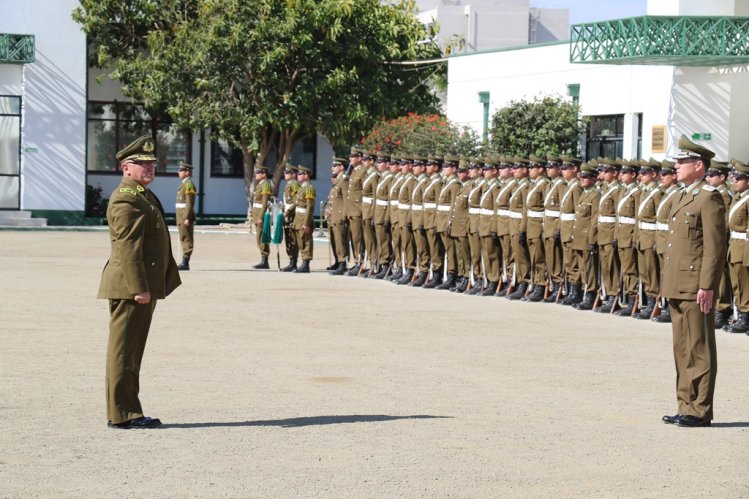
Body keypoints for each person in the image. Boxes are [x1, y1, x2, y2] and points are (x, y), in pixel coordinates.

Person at [98, 134, 181, 429]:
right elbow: (127, 248)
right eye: (141, 163)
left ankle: (129, 410)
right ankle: (122, 413)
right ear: (125, 167)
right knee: (123, 352)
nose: (149, 168)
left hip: (140, 286)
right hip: (130, 288)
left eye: (152, 163)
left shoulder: (142, 195)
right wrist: (139, 288)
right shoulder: (126, 198)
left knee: (131, 351)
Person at [661, 134, 726, 428]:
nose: (677, 165)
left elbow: (714, 248)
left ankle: (700, 409)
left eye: (682, 161)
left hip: (695, 286)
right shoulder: (681, 196)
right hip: (676, 283)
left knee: (698, 347)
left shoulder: (709, 198)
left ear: (698, 165)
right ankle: (684, 403)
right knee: (681, 348)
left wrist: (707, 286)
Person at [327, 157, 349, 275]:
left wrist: (344, 216)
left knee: (340, 240)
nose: (333, 168)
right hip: (334, 215)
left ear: (341, 167)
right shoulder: (338, 181)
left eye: (335, 165)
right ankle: (337, 261)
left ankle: (342, 263)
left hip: (339, 215)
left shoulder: (344, 180)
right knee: (335, 239)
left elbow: (346, 200)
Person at [292, 165, 316, 273]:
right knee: (300, 241)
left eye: (300, 174)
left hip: (304, 218)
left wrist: (306, 223)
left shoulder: (309, 188)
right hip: (298, 217)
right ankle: (303, 262)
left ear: (305, 175)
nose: (297, 176)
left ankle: (306, 264)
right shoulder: (301, 188)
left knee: (306, 241)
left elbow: (310, 207)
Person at [175, 161, 197, 271]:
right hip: (181, 215)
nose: (179, 172)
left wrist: (187, 217)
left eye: (181, 170)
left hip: (184, 215)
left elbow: (190, 202)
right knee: (183, 237)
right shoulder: (184, 183)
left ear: (187, 172)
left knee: (187, 238)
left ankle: (185, 261)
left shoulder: (188, 184)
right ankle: (184, 261)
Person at [250, 165, 273, 269]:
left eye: (258, 172)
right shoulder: (259, 185)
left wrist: (260, 217)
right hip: (256, 214)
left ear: (264, 174)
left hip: (261, 215)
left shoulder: (265, 185)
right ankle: (263, 259)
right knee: (258, 238)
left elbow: (264, 203)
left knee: (262, 237)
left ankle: (265, 260)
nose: (256, 174)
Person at [280, 165, 300, 272]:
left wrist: (288, 212)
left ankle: (293, 262)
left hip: (292, 215)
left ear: (293, 174)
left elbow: (296, 201)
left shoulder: (295, 184)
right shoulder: (288, 185)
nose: (285, 174)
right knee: (288, 238)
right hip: (287, 215)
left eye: (287, 172)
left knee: (292, 239)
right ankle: (291, 261)